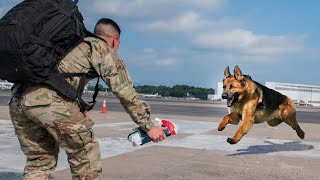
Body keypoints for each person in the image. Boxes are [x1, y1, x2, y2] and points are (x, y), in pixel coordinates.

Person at [9, 18, 167, 179]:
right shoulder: (98, 46)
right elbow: (124, 90)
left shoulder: (68, 43)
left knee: (40, 162)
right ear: (114, 40)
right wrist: (148, 125)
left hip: (18, 101)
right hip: (50, 102)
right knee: (86, 158)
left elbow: (63, 80)